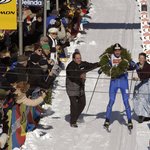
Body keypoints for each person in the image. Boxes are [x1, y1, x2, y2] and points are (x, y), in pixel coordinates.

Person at [99, 43, 135, 130]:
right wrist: (101, 69)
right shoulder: (110, 57)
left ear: (121, 51)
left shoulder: (125, 57)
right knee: (111, 100)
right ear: (114, 51)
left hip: (123, 81)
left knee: (126, 101)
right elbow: (104, 65)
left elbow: (133, 65)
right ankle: (107, 120)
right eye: (116, 50)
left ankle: (129, 120)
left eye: (119, 50)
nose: (117, 52)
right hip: (114, 81)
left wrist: (132, 65)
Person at [66, 51, 100, 128]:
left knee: (82, 103)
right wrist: (80, 76)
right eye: (77, 58)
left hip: (80, 88)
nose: (79, 59)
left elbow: (90, 66)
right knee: (74, 105)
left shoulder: (82, 64)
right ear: (73, 59)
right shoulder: (70, 66)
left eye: (80, 58)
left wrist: (99, 64)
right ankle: (73, 121)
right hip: (72, 89)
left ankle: (75, 116)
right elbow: (72, 76)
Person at [133, 52, 150, 123]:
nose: (141, 59)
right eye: (140, 58)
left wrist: (138, 79)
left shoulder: (148, 66)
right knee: (137, 98)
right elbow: (131, 67)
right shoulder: (137, 65)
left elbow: (146, 75)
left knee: (145, 99)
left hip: (146, 83)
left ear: (145, 59)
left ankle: (146, 115)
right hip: (139, 83)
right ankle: (140, 115)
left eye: (142, 58)